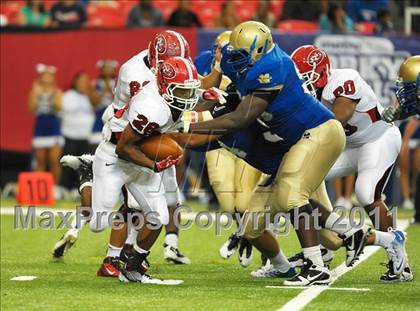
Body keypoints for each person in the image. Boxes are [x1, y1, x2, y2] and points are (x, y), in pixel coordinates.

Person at [178, 21, 368, 286]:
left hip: (318, 132)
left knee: (291, 196)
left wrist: (186, 122)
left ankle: (316, 266)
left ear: (259, 51)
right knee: (255, 222)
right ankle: (347, 234)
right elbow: (209, 115)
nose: (235, 60)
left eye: (242, 55)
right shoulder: (246, 65)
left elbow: (238, 119)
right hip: (296, 144)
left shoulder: (272, 67)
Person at [291, 45, 412, 282]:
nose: (303, 82)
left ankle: (398, 255)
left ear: (321, 72)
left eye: (306, 76)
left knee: (365, 193)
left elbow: (337, 120)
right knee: (299, 180)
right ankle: (321, 249)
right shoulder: (310, 93)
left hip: (377, 140)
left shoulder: (345, 80)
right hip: (348, 146)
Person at [29, 64, 63, 186]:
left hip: (53, 127)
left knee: (54, 162)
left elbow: (58, 107)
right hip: (40, 127)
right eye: (45, 75)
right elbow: (32, 108)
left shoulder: (57, 91)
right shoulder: (34, 91)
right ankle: (38, 188)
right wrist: (36, 94)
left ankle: (54, 188)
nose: (47, 78)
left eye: (50, 75)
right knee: (40, 162)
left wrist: (52, 94)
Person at [60, 72, 95, 190]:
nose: (83, 84)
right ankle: (65, 188)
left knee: (84, 164)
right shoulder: (67, 96)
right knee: (68, 163)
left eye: (85, 82)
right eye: (80, 81)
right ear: (75, 82)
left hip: (85, 136)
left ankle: (79, 187)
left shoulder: (90, 97)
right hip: (70, 135)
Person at [89, 59, 117, 151]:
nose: (108, 70)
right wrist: (104, 90)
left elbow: (119, 100)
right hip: (99, 115)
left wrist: (110, 89)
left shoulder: (118, 84)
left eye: (110, 68)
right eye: (106, 68)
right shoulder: (95, 84)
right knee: (96, 144)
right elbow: (94, 102)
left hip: (114, 115)